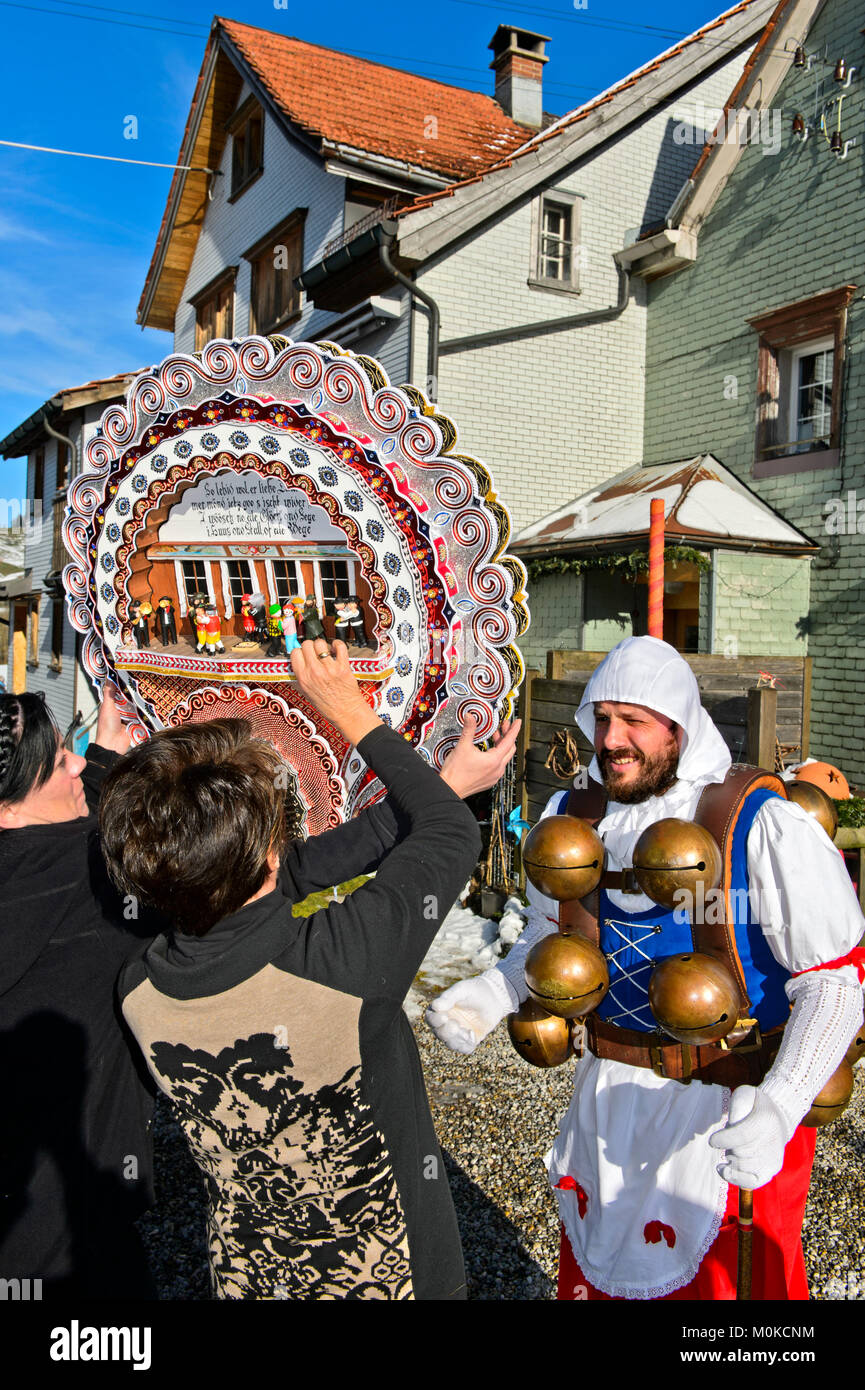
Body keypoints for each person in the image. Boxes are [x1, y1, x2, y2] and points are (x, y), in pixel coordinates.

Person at [426, 636, 865, 1300]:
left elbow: (833, 978)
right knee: (599, 1274)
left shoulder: (759, 822)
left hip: (728, 1106)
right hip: (607, 1100)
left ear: (678, 726)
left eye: (634, 720)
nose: (612, 739)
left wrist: (778, 1107)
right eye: (602, 720)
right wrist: (493, 989)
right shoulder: (570, 818)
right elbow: (545, 940)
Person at [98, 637, 520, 1300]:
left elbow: (273, 878)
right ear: (267, 858)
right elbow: (448, 832)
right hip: (390, 1279)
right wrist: (350, 714)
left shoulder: (139, 989)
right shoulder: (341, 963)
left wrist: (436, 789)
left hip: (247, 1274)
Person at [0, 687, 155, 1297]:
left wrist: (102, 762)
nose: (77, 763)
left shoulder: (46, 860)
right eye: (61, 759)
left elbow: (63, 828)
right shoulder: (92, 878)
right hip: (68, 1227)